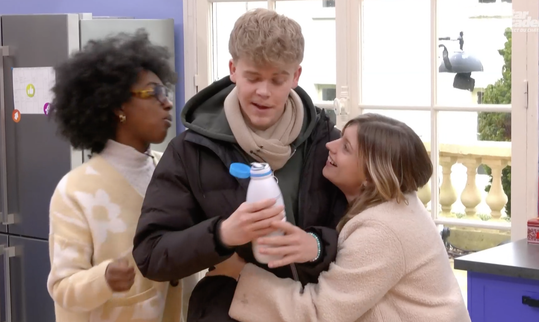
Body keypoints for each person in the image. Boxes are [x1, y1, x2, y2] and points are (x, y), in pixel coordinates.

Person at [132, 8, 347, 322]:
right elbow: (151, 255)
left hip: (310, 312)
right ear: (233, 69)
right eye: (253, 77)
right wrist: (221, 234)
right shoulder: (189, 151)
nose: (263, 91)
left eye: (277, 79)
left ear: (296, 76)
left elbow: (362, 238)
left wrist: (315, 245)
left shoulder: (328, 145)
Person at [211, 114, 472, 322]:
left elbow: (319, 313)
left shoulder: (381, 230)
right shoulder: (397, 205)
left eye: (345, 147)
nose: (329, 145)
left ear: (372, 176)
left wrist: (242, 274)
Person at [46, 30, 191, 321]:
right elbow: (62, 287)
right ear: (117, 106)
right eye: (154, 93)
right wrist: (105, 279)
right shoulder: (75, 191)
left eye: (167, 93)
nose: (168, 103)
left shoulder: (173, 170)